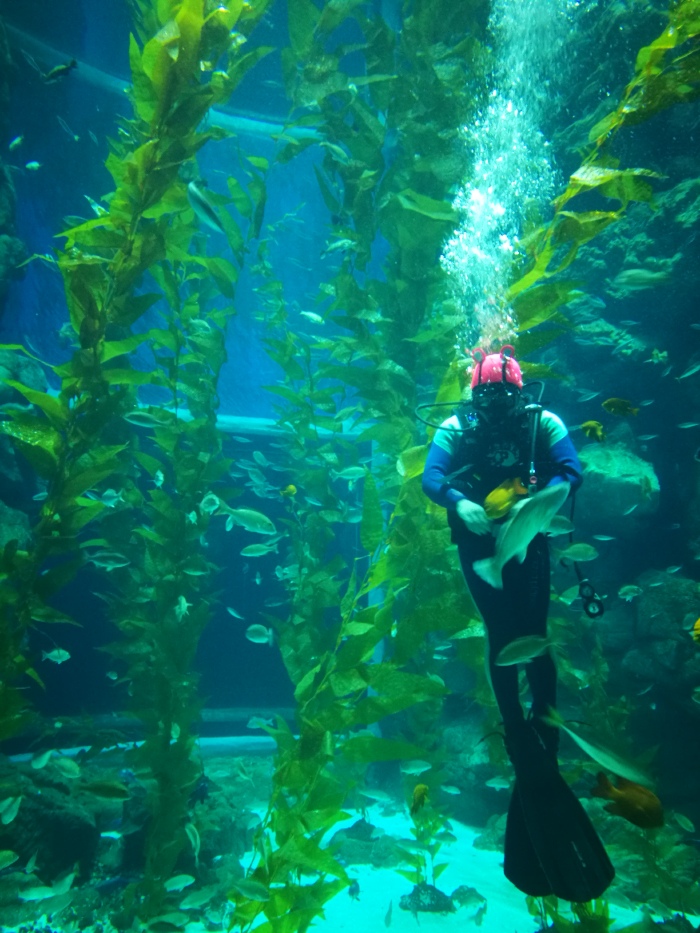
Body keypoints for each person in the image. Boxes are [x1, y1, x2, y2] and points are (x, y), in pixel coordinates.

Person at [421, 345, 614, 902]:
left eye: (505, 396)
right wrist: (459, 501)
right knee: (501, 636)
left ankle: (545, 732)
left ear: (522, 393)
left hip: (529, 541)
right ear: (474, 396)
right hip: (480, 547)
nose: (497, 406)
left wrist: (545, 500)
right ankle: (517, 735)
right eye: (486, 397)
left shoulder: (543, 422)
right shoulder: (457, 427)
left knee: (535, 632)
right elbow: (432, 478)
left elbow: (572, 469)